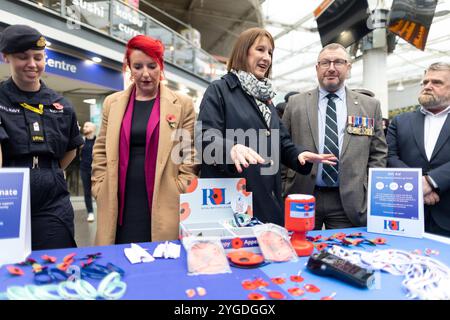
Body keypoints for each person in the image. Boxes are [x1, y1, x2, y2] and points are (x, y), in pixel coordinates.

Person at [196, 28, 336, 226]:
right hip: (231, 200)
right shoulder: (220, 90)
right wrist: (231, 148)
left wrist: (298, 156)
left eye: (270, 52)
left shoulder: (265, 98)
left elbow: (281, 140)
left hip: (267, 198)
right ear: (243, 52)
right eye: (260, 50)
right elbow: (205, 136)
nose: (267, 57)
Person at [92, 35, 198, 245]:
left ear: (161, 66)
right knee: (119, 259)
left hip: (165, 197)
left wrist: (180, 188)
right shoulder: (112, 103)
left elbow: (189, 153)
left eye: (152, 66)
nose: (146, 74)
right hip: (117, 197)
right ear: (129, 68)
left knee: (159, 264)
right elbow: (100, 149)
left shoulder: (182, 104)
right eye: (138, 66)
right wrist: (99, 185)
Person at [282, 43, 387, 230]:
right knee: (299, 251)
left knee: (345, 255)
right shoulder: (295, 103)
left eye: (338, 62)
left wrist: (368, 189)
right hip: (302, 195)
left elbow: (378, 153)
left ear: (348, 67)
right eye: (325, 63)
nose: (331, 68)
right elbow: (282, 146)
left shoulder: (369, 106)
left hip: (349, 201)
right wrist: (284, 185)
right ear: (317, 68)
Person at [0, 25, 84, 249]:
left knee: (55, 263)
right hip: (8, 196)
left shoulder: (61, 104)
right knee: (9, 266)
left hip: (52, 200)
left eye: (38, 57)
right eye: (22, 57)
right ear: (6, 57)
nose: (32, 64)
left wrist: (49, 172)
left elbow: (71, 149)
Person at [387, 62, 450, 237]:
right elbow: (389, 156)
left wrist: (431, 181)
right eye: (425, 82)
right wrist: (415, 185)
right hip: (407, 214)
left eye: (436, 82)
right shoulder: (400, 121)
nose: (428, 86)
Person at [80, 121, 96, 222]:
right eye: (84, 126)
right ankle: (90, 213)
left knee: (99, 191)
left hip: (96, 170)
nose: (84, 128)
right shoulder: (81, 141)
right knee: (87, 192)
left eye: (87, 126)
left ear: (93, 128)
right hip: (84, 169)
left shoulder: (98, 141)